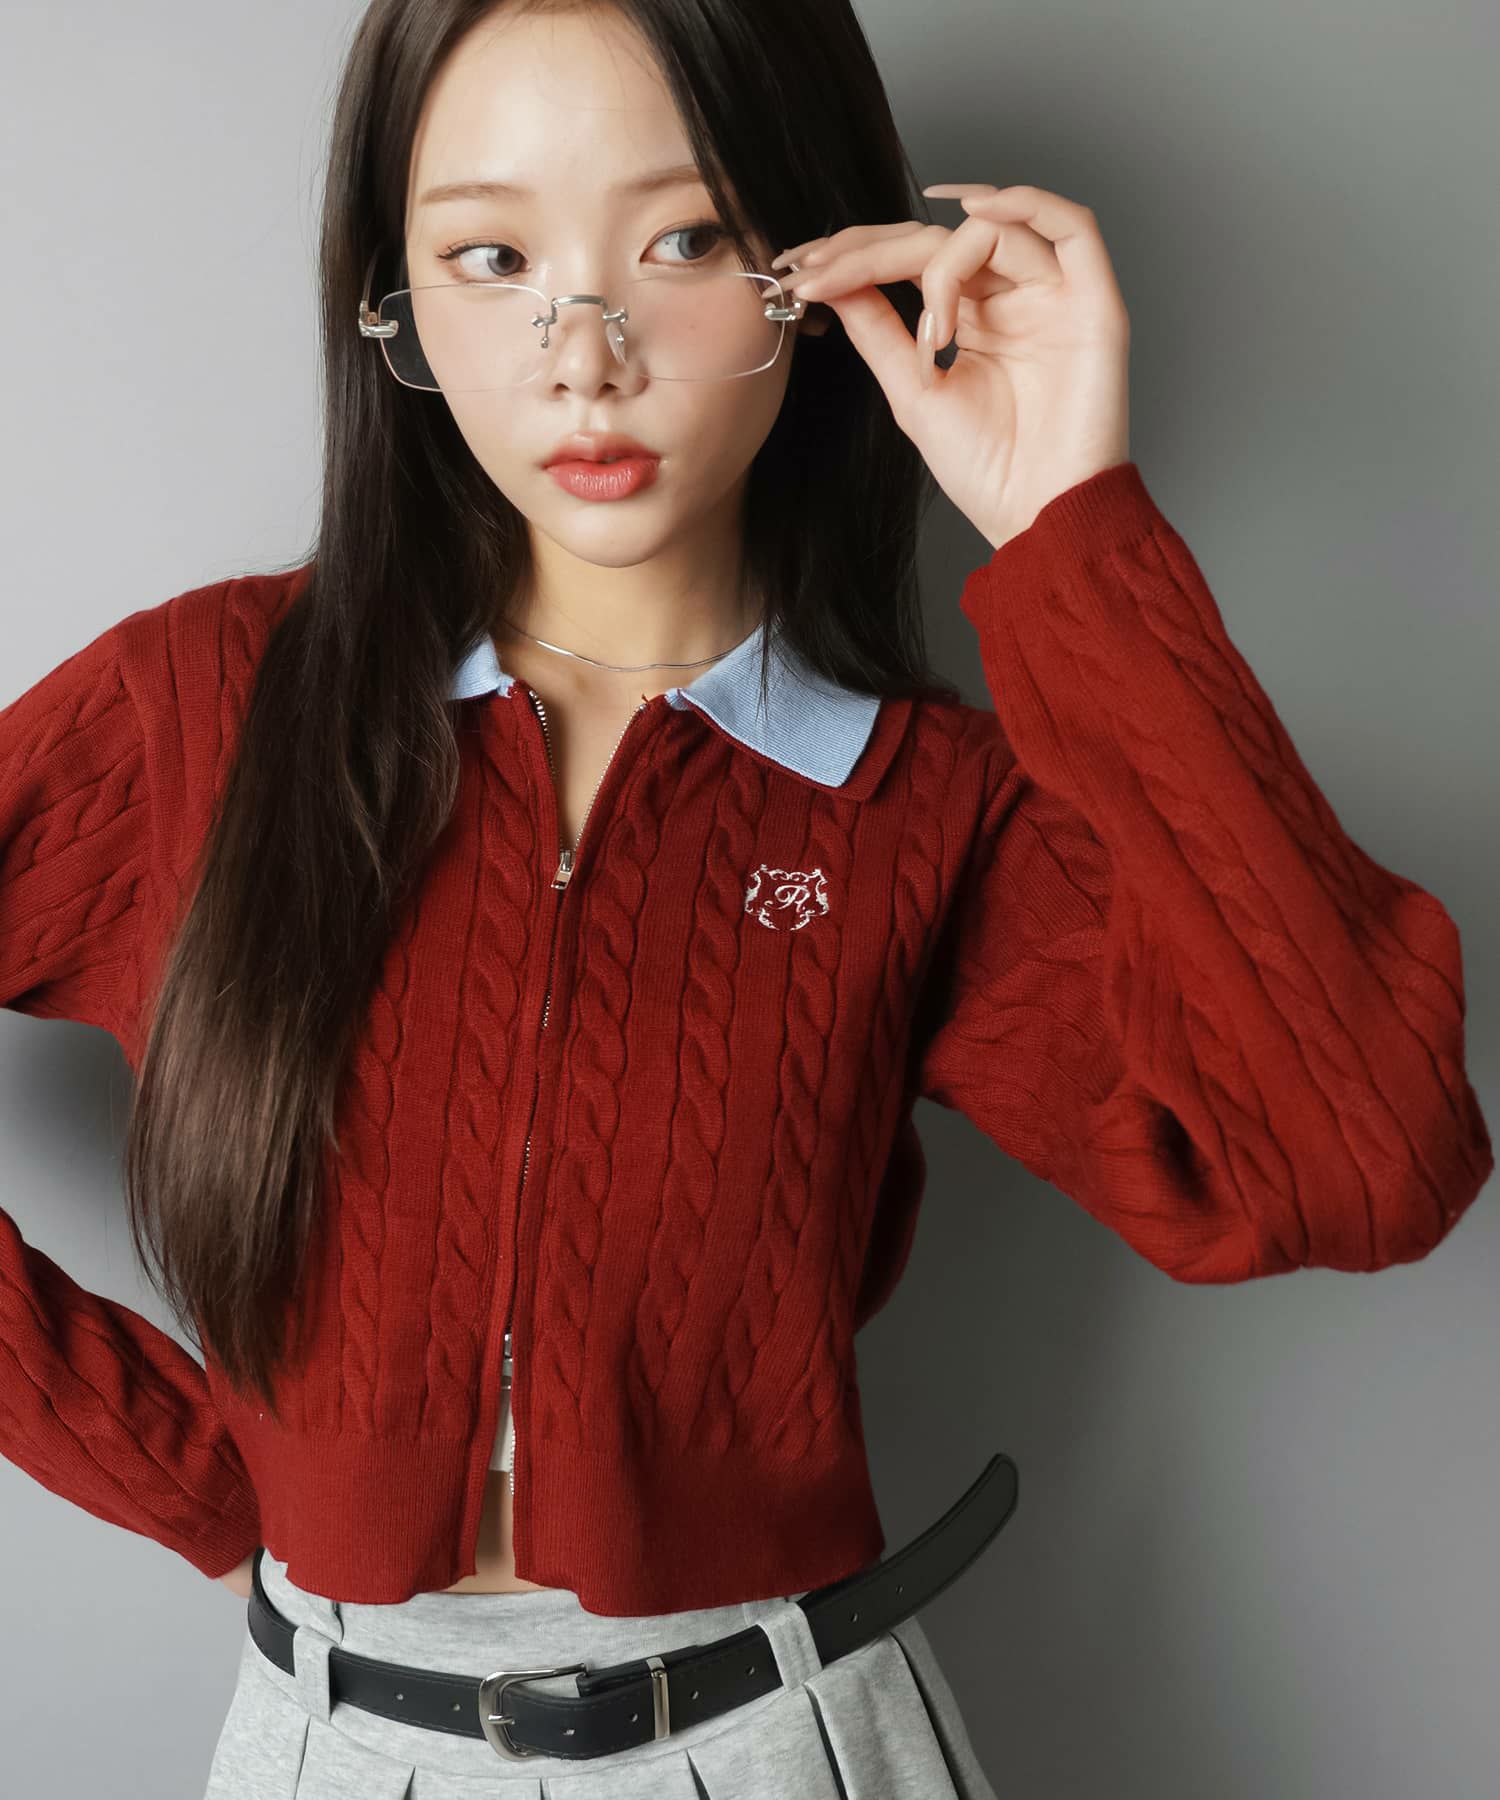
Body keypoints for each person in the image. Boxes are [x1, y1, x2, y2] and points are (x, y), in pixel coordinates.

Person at [1, 0, 1491, 1793]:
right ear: (389, 298)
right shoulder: (200, 710)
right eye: (493, 258)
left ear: (820, 264)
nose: (586, 358)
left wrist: (1075, 533)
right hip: (324, 1744)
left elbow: (1362, 1166)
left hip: (786, 1740)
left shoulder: (922, 808)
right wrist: (185, 1471)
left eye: (688, 238)